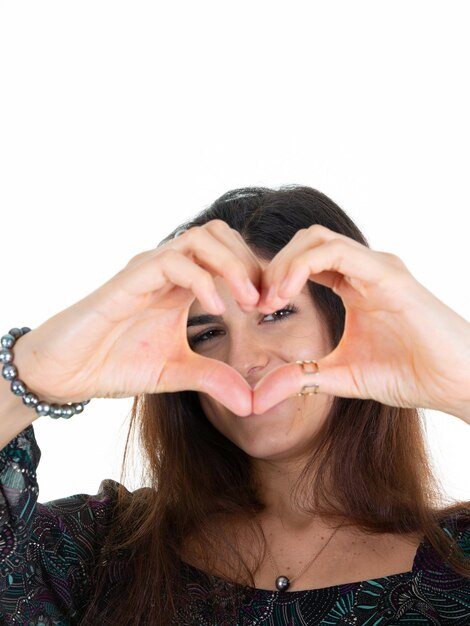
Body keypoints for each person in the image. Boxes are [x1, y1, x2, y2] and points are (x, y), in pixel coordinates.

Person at [1, 185, 470, 626]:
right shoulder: (98, 551)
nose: (242, 360)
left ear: (346, 323)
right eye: (207, 333)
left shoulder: (459, 564)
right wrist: (38, 372)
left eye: (277, 315)